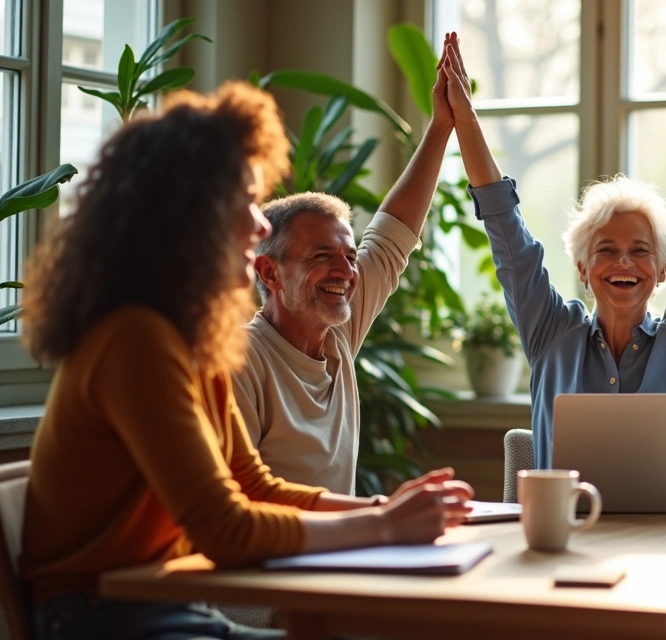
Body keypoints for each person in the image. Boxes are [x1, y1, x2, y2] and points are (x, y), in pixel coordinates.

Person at [18, 81, 472, 640]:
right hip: (103, 614)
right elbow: (224, 527)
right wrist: (381, 525)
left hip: (162, 602)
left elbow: (253, 486)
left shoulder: (194, 341)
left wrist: (383, 508)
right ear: (189, 216)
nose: (260, 227)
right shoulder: (134, 338)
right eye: (248, 203)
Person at [440, 31, 666, 469]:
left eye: (640, 250)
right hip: (566, 534)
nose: (624, 262)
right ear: (582, 266)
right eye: (606, 249)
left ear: (663, 269)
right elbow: (505, 232)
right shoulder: (550, 333)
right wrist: (464, 118)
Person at [230, 58, 455, 495]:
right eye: (322, 255)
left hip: (343, 552)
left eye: (350, 257)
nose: (347, 271)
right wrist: (380, 515)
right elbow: (246, 503)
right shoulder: (241, 360)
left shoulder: (336, 334)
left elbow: (395, 233)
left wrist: (441, 127)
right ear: (270, 272)